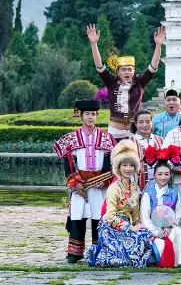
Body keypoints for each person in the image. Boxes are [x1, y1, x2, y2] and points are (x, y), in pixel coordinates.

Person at [53, 99, 116, 263]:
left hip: (99, 184)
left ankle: (99, 250)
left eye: (93, 114)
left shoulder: (106, 138)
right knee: (77, 216)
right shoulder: (70, 138)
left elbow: (111, 163)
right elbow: (67, 163)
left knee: (99, 217)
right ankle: (75, 252)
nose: (90, 117)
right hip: (80, 184)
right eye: (87, 114)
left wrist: (105, 180)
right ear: (81, 116)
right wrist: (75, 183)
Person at [87, 24, 165, 141]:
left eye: (130, 69)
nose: (127, 72)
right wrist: (94, 44)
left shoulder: (140, 81)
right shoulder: (111, 81)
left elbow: (153, 66)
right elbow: (99, 65)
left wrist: (158, 45)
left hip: (133, 131)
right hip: (115, 131)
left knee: (135, 158)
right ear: (118, 72)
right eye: (123, 69)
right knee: (114, 158)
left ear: (134, 71)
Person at [86, 140, 152, 267]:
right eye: (124, 165)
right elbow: (110, 216)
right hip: (111, 227)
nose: (128, 169)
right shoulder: (113, 188)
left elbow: (135, 212)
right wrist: (130, 228)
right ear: (118, 167)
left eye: (131, 165)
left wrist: (138, 224)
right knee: (135, 241)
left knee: (145, 235)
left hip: (127, 224)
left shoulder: (133, 186)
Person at [140, 148, 181, 267]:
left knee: (178, 231)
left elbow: (179, 215)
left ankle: (175, 261)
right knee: (159, 242)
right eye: (159, 174)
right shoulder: (148, 194)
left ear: (170, 175)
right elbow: (145, 218)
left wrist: (170, 226)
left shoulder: (174, 194)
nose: (163, 177)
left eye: (166, 174)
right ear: (154, 175)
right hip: (152, 230)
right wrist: (156, 231)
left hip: (170, 228)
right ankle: (160, 258)